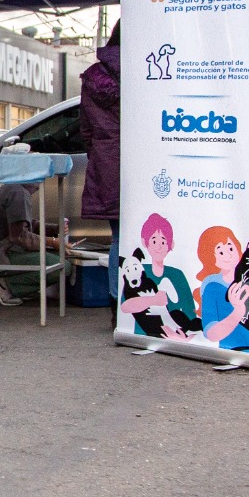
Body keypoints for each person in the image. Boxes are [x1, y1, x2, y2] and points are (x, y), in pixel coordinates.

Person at [79, 22, 121, 299]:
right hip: (148, 161)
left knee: (119, 236)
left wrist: (99, 154)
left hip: (108, 162)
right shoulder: (153, 69)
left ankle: (117, 304)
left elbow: (85, 129)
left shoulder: (93, 76)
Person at [0, 181, 62, 305]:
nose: (34, 194)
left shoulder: (11, 188)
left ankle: (16, 287)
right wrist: (52, 242)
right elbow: (19, 236)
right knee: (61, 266)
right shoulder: (18, 193)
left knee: (52, 259)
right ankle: (6, 286)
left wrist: (54, 229)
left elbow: (23, 223)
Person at [195, 225, 249, 351]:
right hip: (223, 351)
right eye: (220, 252)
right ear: (210, 258)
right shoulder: (212, 286)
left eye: (231, 248)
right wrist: (238, 312)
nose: (227, 255)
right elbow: (211, 334)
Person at [119, 212, 199, 337]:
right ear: (145, 242)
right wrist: (153, 300)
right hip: (144, 334)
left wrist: (185, 337)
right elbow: (125, 306)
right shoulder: (138, 270)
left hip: (178, 333)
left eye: (163, 242)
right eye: (154, 241)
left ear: (170, 244)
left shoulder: (177, 274)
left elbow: (190, 312)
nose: (159, 246)